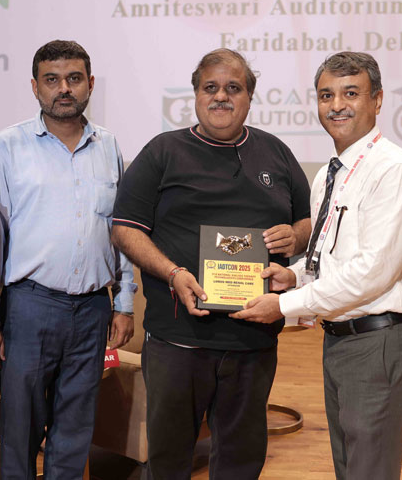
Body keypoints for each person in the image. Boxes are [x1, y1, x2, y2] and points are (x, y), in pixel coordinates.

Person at [232, 51, 402, 480]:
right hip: (341, 339)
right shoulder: (331, 172)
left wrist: (284, 306)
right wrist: (294, 275)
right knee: (350, 467)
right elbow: (332, 253)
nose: (336, 105)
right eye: (326, 95)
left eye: (351, 93)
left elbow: (371, 273)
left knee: (369, 470)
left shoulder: (396, 172)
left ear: (377, 100)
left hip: (378, 343)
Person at [111, 48, 311, 479]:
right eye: (211, 87)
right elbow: (125, 229)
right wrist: (173, 273)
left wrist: (296, 236)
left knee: (241, 462)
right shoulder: (163, 151)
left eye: (233, 88)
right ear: (196, 94)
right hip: (178, 342)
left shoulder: (275, 152)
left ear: (250, 96)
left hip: (253, 341)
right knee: (167, 462)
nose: (221, 96)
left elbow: (309, 222)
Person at [0, 40, 136, 480]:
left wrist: (124, 302)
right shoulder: (7, 146)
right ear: (35, 87)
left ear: (90, 84)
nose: (64, 89)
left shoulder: (109, 146)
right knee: (20, 427)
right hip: (29, 307)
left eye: (74, 79)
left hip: (92, 309)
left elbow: (121, 230)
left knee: (75, 428)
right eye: (52, 80)